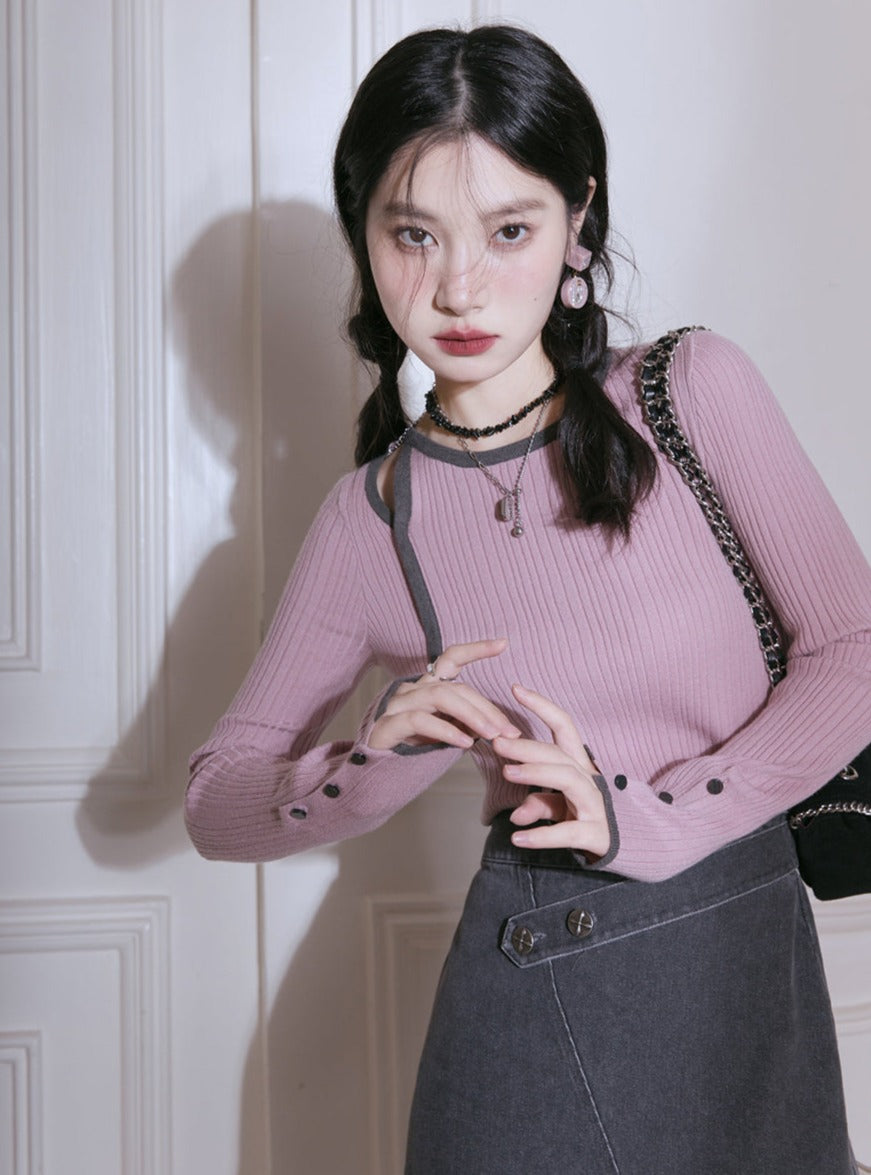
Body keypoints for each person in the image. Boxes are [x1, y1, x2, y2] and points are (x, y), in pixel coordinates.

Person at [185, 25, 871, 1173]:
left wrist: (653, 811)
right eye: (413, 233)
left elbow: (853, 645)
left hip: (743, 969)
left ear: (576, 221)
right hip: (532, 988)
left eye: (509, 230)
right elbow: (217, 801)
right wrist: (376, 756)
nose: (458, 286)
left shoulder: (688, 393)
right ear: (363, 232)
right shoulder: (374, 517)